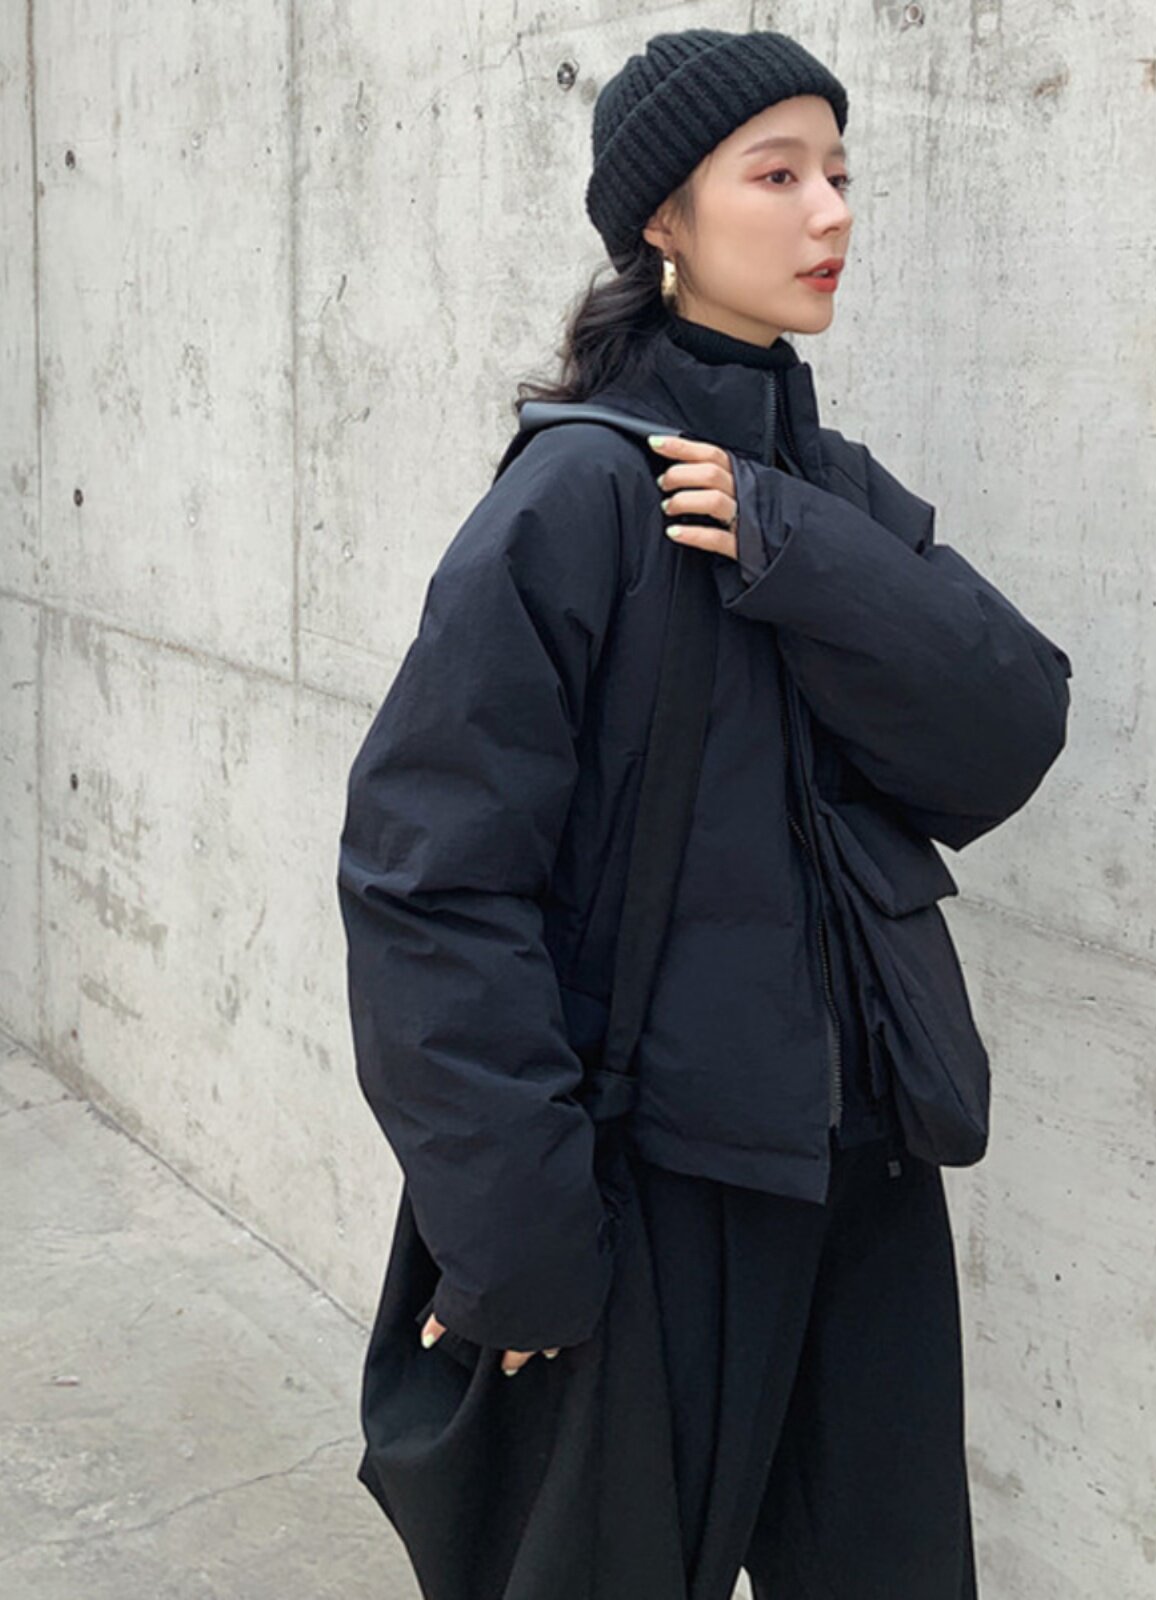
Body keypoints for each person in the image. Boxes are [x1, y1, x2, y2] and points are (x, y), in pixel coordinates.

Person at [337, 26, 1073, 1600]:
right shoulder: (576, 500)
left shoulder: (830, 488)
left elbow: (1010, 729)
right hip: (659, 1192)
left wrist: (795, 543)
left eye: (840, 174)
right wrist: (517, 1236)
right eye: (778, 175)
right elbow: (428, 881)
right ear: (664, 218)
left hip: (867, 1171)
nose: (831, 214)